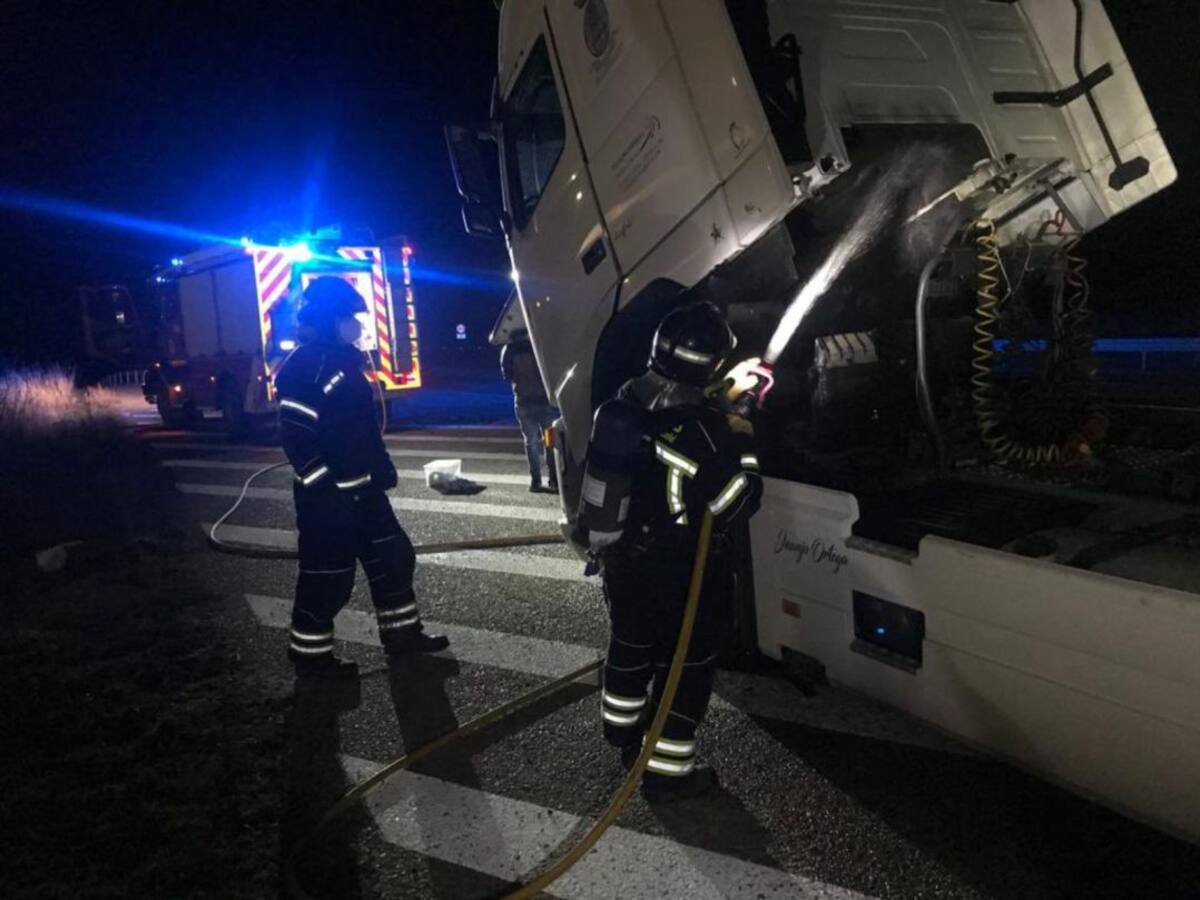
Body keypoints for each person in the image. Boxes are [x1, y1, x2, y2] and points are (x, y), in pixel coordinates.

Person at [576, 302, 762, 799]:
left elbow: (672, 426)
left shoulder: (624, 402)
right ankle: (665, 773)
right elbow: (737, 501)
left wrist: (720, 405)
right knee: (688, 664)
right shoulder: (712, 434)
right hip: (684, 570)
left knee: (631, 646)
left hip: (625, 561)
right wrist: (743, 438)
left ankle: (621, 731)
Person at [275, 277, 449, 677]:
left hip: (366, 493)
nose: (356, 324)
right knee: (327, 579)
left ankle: (402, 637)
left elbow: (362, 429)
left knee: (394, 560)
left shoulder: (345, 361)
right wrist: (324, 491)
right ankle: (311, 658)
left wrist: (381, 467)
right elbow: (297, 439)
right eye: (349, 317)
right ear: (328, 318)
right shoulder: (306, 367)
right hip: (328, 503)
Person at [500, 331, 560, 493]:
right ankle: (554, 480)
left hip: (524, 402)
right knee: (549, 442)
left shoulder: (509, 350)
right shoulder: (539, 345)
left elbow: (507, 376)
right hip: (545, 402)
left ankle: (535, 481)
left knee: (531, 442)